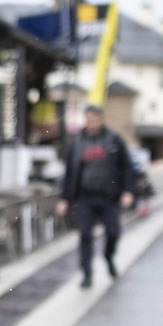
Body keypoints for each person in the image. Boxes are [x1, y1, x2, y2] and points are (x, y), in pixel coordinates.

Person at [56, 105, 135, 288]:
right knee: (85, 236)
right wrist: (65, 199)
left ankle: (108, 257)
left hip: (109, 197)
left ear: (101, 119)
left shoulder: (114, 139)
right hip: (85, 197)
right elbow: (69, 172)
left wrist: (127, 191)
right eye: (89, 120)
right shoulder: (77, 142)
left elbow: (127, 167)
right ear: (85, 119)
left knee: (113, 232)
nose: (92, 123)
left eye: (96, 120)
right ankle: (87, 273)